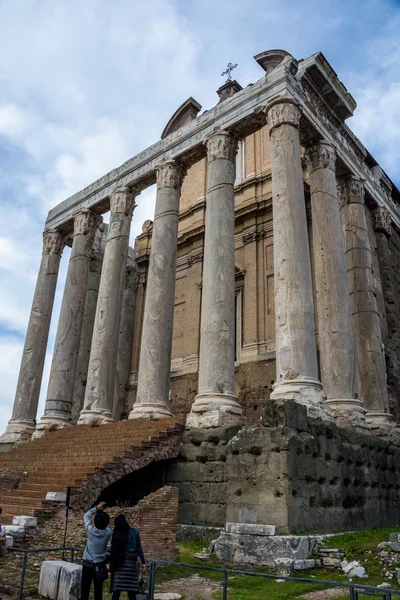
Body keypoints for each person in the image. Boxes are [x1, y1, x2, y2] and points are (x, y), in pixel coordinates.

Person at [109, 514, 146, 600]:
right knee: (131, 593)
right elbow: (139, 548)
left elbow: (113, 554)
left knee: (116, 593)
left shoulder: (117, 534)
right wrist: (143, 563)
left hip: (119, 567)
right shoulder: (135, 532)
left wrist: (110, 570)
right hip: (131, 568)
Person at [81, 501, 112, 600]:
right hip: (100, 565)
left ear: (95, 522)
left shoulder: (90, 530)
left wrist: (97, 509)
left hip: (87, 564)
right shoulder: (108, 533)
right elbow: (106, 524)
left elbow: (86, 516)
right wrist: (103, 514)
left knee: (85, 589)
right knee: (98, 591)